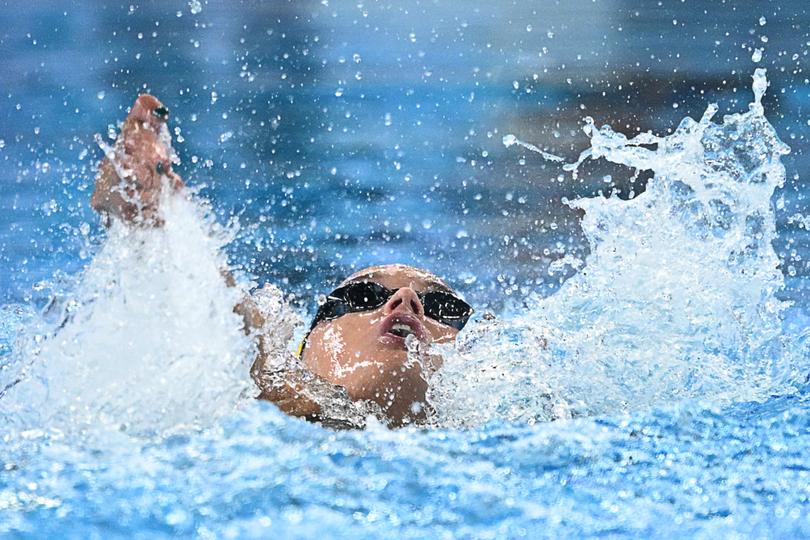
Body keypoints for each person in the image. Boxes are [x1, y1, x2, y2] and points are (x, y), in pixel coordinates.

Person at [91, 95, 474, 428]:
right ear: (304, 355)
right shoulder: (248, 417)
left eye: (441, 307)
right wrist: (147, 228)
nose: (406, 299)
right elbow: (232, 323)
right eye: (362, 296)